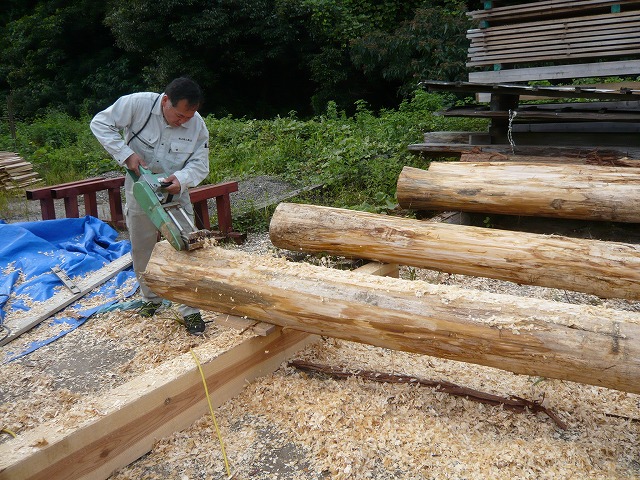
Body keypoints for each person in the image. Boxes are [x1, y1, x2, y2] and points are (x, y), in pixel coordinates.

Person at [90, 77, 210, 335]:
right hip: (140, 188)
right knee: (142, 246)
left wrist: (183, 179)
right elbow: (100, 123)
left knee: (187, 247)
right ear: (165, 101)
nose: (183, 122)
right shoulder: (137, 104)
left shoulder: (197, 125)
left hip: (175, 192)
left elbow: (200, 164)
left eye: (188, 117)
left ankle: (190, 309)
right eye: (179, 115)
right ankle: (150, 299)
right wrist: (126, 154)